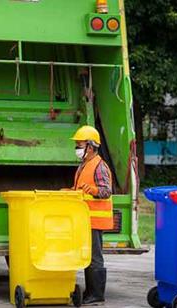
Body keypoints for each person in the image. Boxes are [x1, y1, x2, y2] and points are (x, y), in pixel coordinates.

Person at [71, 125, 113, 305]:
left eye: (79, 145)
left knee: (95, 258)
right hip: (85, 220)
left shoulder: (99, 166)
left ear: (90, 146)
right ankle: (91, 292)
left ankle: (96, 294)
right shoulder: (84, 165)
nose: (77, 149)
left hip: (95, 220)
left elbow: (106, 191)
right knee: (88, 256)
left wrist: (94, 189)